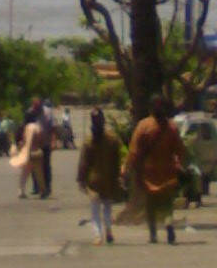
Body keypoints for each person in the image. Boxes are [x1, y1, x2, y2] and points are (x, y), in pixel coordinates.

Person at [123, 97, 186, 245]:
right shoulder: (172, 128)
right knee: (167, 204)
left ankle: (153, 234)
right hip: (168, 171)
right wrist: (178, 164)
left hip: (148, 172)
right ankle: (168, 222)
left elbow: (134, 151)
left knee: (150, 205)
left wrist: (127, 168)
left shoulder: (143, 126)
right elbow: (181, 150)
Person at [77, 108, 121, 245]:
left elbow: (84, 162)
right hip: (108, 177)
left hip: (93, 179)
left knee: (95, 209)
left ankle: (97, 236)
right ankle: (108, 230)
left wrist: (81, 179)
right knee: (107, 206)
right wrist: (117, 175)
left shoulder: (89, 140)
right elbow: (117, 160)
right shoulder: (113, 139)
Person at [11, 110, 46, 199]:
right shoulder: (37, 127)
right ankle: (42, 191)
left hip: (27, 153)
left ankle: (21, 191)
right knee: (39, 174)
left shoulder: (25, 128)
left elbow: (23, 140)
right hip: (36, 151)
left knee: (25, 173)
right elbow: (41, 139)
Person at [39, 99, 55, 197]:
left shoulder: (33, 111)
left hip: (36, 143)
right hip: (45, 143)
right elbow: (53, 127)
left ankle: (39, 187)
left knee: (37, 165)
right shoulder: (49, 112)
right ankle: (46, 187)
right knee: (46, 165)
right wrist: (53, 141)